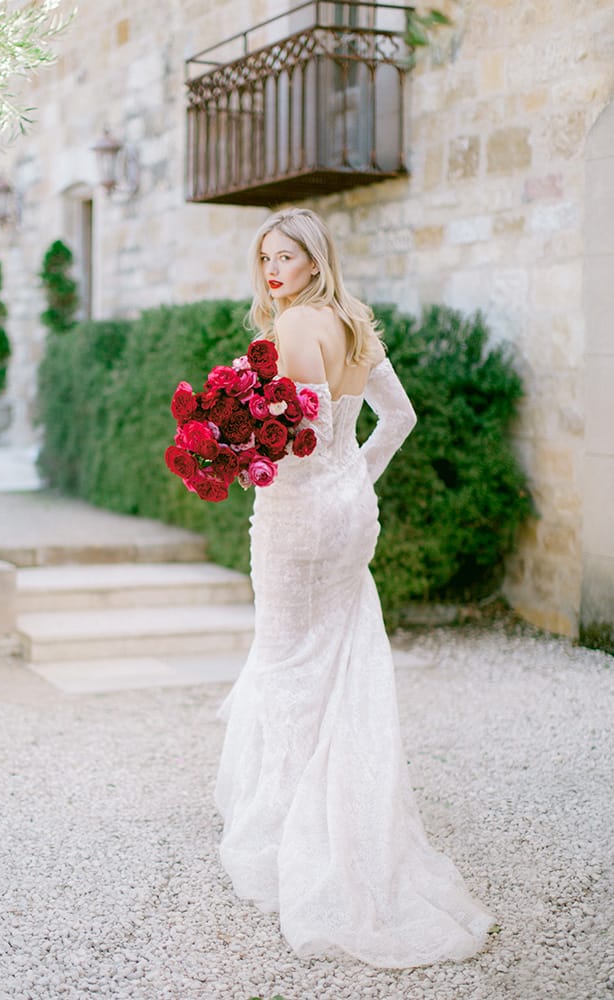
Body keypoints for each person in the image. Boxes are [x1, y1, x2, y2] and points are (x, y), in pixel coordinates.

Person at [215, 208, 494, 967]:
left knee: (284, 659)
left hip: (299, 515)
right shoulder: (355, 324)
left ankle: (288, 832)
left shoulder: (298, 326)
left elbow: (292, 439)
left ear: (314, 261)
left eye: (287, 257)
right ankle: (341, 814)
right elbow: (396, 418)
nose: (274, 270)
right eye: (266, 257)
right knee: (334, 655)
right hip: (348, 511)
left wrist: (235, 450)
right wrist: (354, 478)